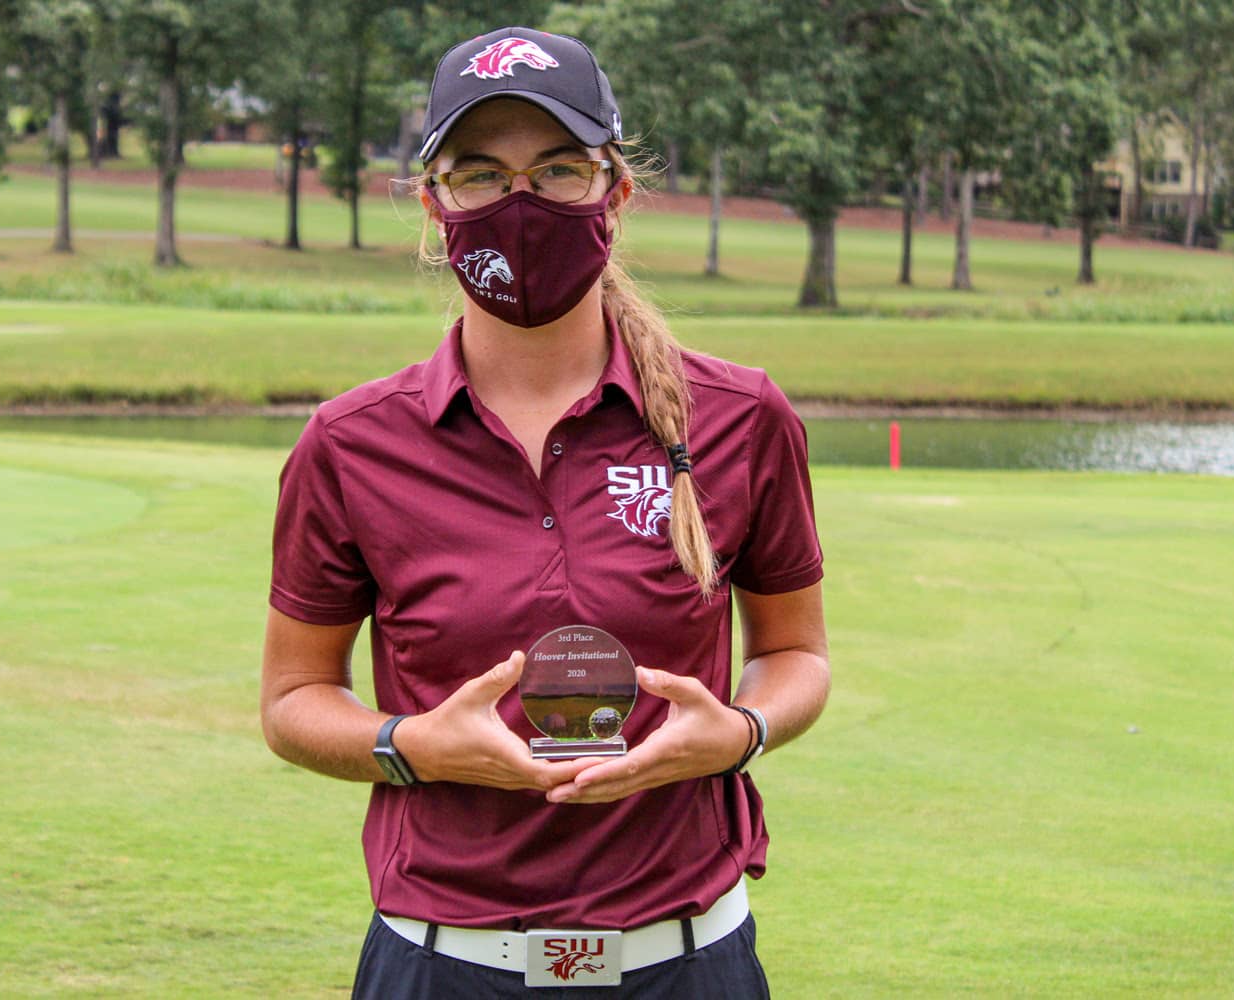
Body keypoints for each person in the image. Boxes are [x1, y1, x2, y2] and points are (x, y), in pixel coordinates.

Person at [260, 25, 830, 998]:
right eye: (480, 173)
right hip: (441, 962)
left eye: (558, 168)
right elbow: (290, 701)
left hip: (686, 961)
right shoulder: (350, 442)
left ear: (615, 191)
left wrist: (736, 732)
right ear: (433, 203)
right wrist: (408, 747)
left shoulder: (738, 417)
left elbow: (796, 655)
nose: (519, 202)